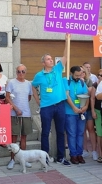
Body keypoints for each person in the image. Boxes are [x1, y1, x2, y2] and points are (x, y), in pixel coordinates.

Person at [32, 33, 71, 166]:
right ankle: (45, 158)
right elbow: (33, 87)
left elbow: (65, 56)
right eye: (48, 59)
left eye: (51, 59)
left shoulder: (58, 69)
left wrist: (67, 40)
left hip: (60, 105)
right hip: (46, 107)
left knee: (61, 131)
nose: (51, 60)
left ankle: (61, 157)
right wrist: (37, 100)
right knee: (45, 132)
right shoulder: (39, 75)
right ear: (43, 62)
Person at [6, 64, 33, 170]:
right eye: (18, 71)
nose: (20, 73)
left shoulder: (28, 84)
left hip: (26, 113)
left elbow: (29, 97)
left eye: (23, 71)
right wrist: (16, 108)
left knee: (24, 137)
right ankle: (12, 160)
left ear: (26, 72)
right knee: (14, 138)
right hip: (14, 114)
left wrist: (22, 108)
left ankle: (23, 160)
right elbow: (7, 98)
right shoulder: (11, 82)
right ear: (15, 72)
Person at [65, 66, 89, 164]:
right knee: (72, 134)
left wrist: (86, 107)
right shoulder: (66, 81)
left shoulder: (82, 82)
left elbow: (87, 95)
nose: (78, 77)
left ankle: (79, 154)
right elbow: (66, 95)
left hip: (81, 112)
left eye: (79, 75)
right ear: (71, 73)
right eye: (76, 75)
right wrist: (74, 108)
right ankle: (73, 155)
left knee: (80, 134)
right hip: (70, 112)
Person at [80, 66, 98, 160]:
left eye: (83, 71)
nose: (81, 73)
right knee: (82, 131)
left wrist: (83, 82)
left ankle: (94, 151)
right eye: (79, 71)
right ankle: (85, 150)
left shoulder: (89, 81)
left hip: (88, 109)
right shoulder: (74, 81)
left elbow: (90, 93)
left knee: (91, 129)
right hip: (80, 109)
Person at [93, 70, 102, 163]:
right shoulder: (100, 84)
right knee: (100, 134)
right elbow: (98, 96)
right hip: (99, 110)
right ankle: (100, 155)